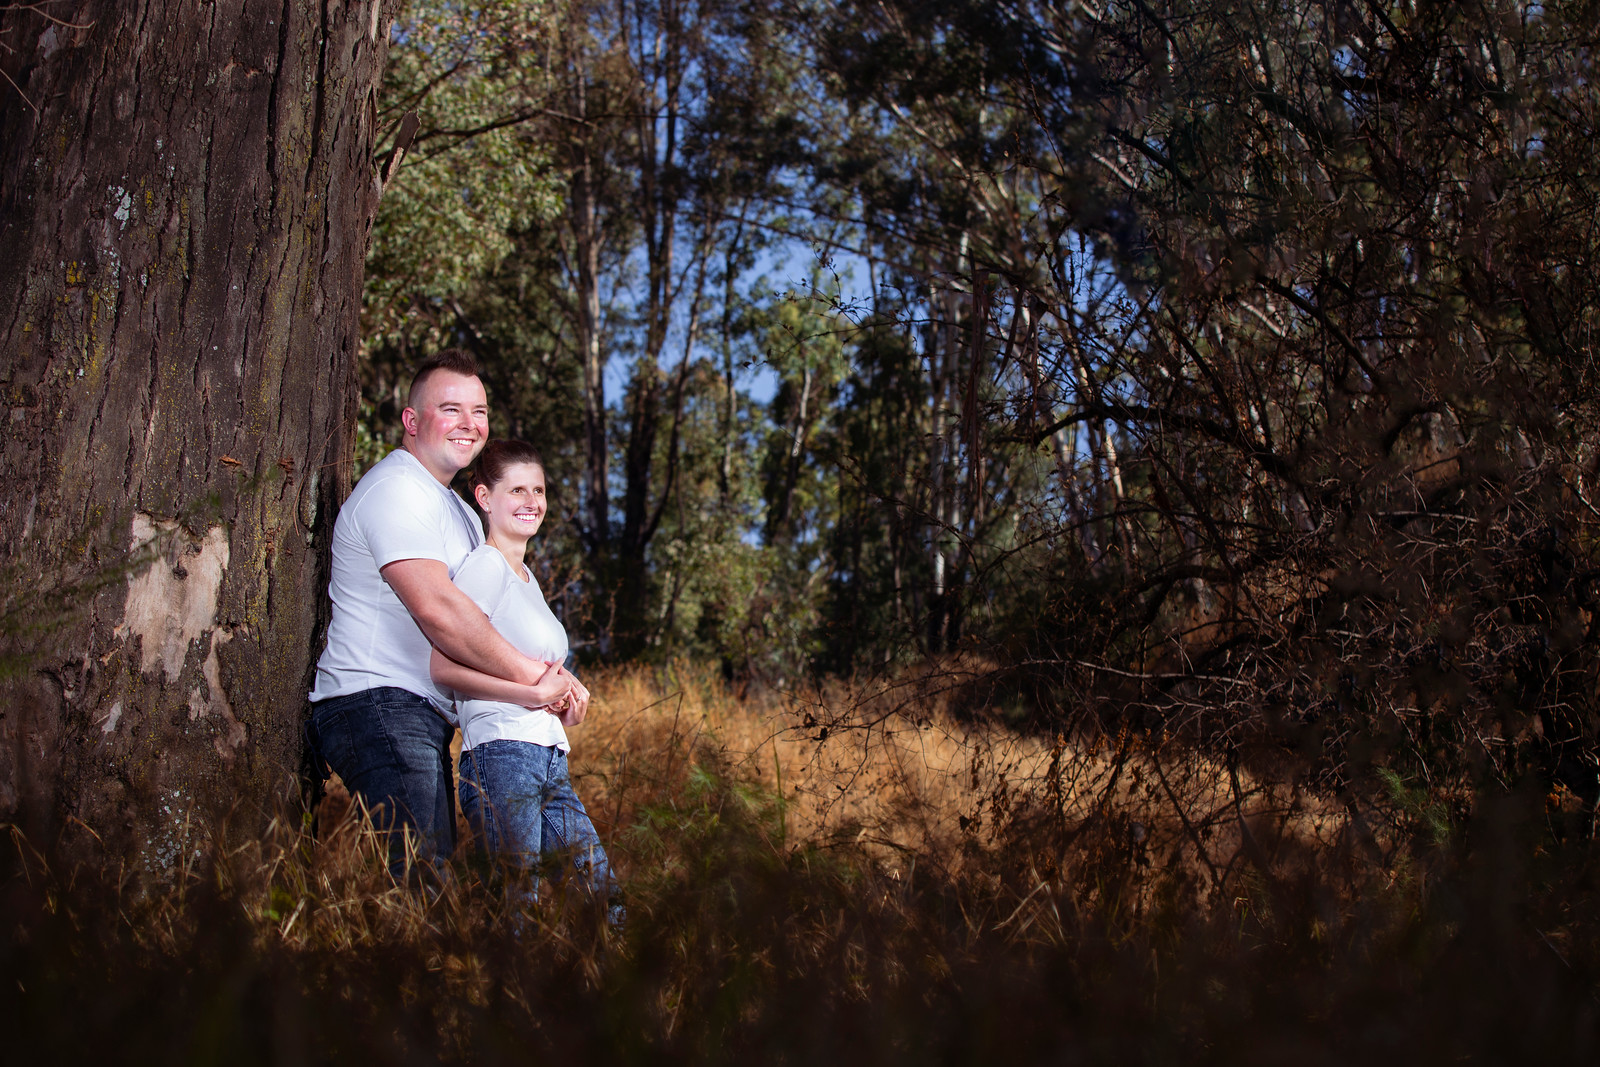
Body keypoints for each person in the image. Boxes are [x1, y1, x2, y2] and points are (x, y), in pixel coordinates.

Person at [305, 351, 579, 879]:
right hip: (375, 699)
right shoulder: (396, 489)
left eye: (478, 411)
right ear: (412, 421)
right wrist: (535, 679)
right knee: (424, 876)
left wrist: (559, 680)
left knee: (435, 873)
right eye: (450, 409)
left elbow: (490, 616)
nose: (469, 424)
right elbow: (440, 613)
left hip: (423, 710)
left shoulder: (455, 508)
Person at [430, 439, 612, 910]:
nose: (532, 502)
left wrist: (564, 705)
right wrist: (531, 696)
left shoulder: (527, 580)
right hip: (501, 754)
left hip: (548, 756)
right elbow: (442, 666)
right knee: (517, 905)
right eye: (517, 491)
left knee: (601, 898)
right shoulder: (485, 568)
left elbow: (539, 677)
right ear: (485, 498)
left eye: (539, 490)